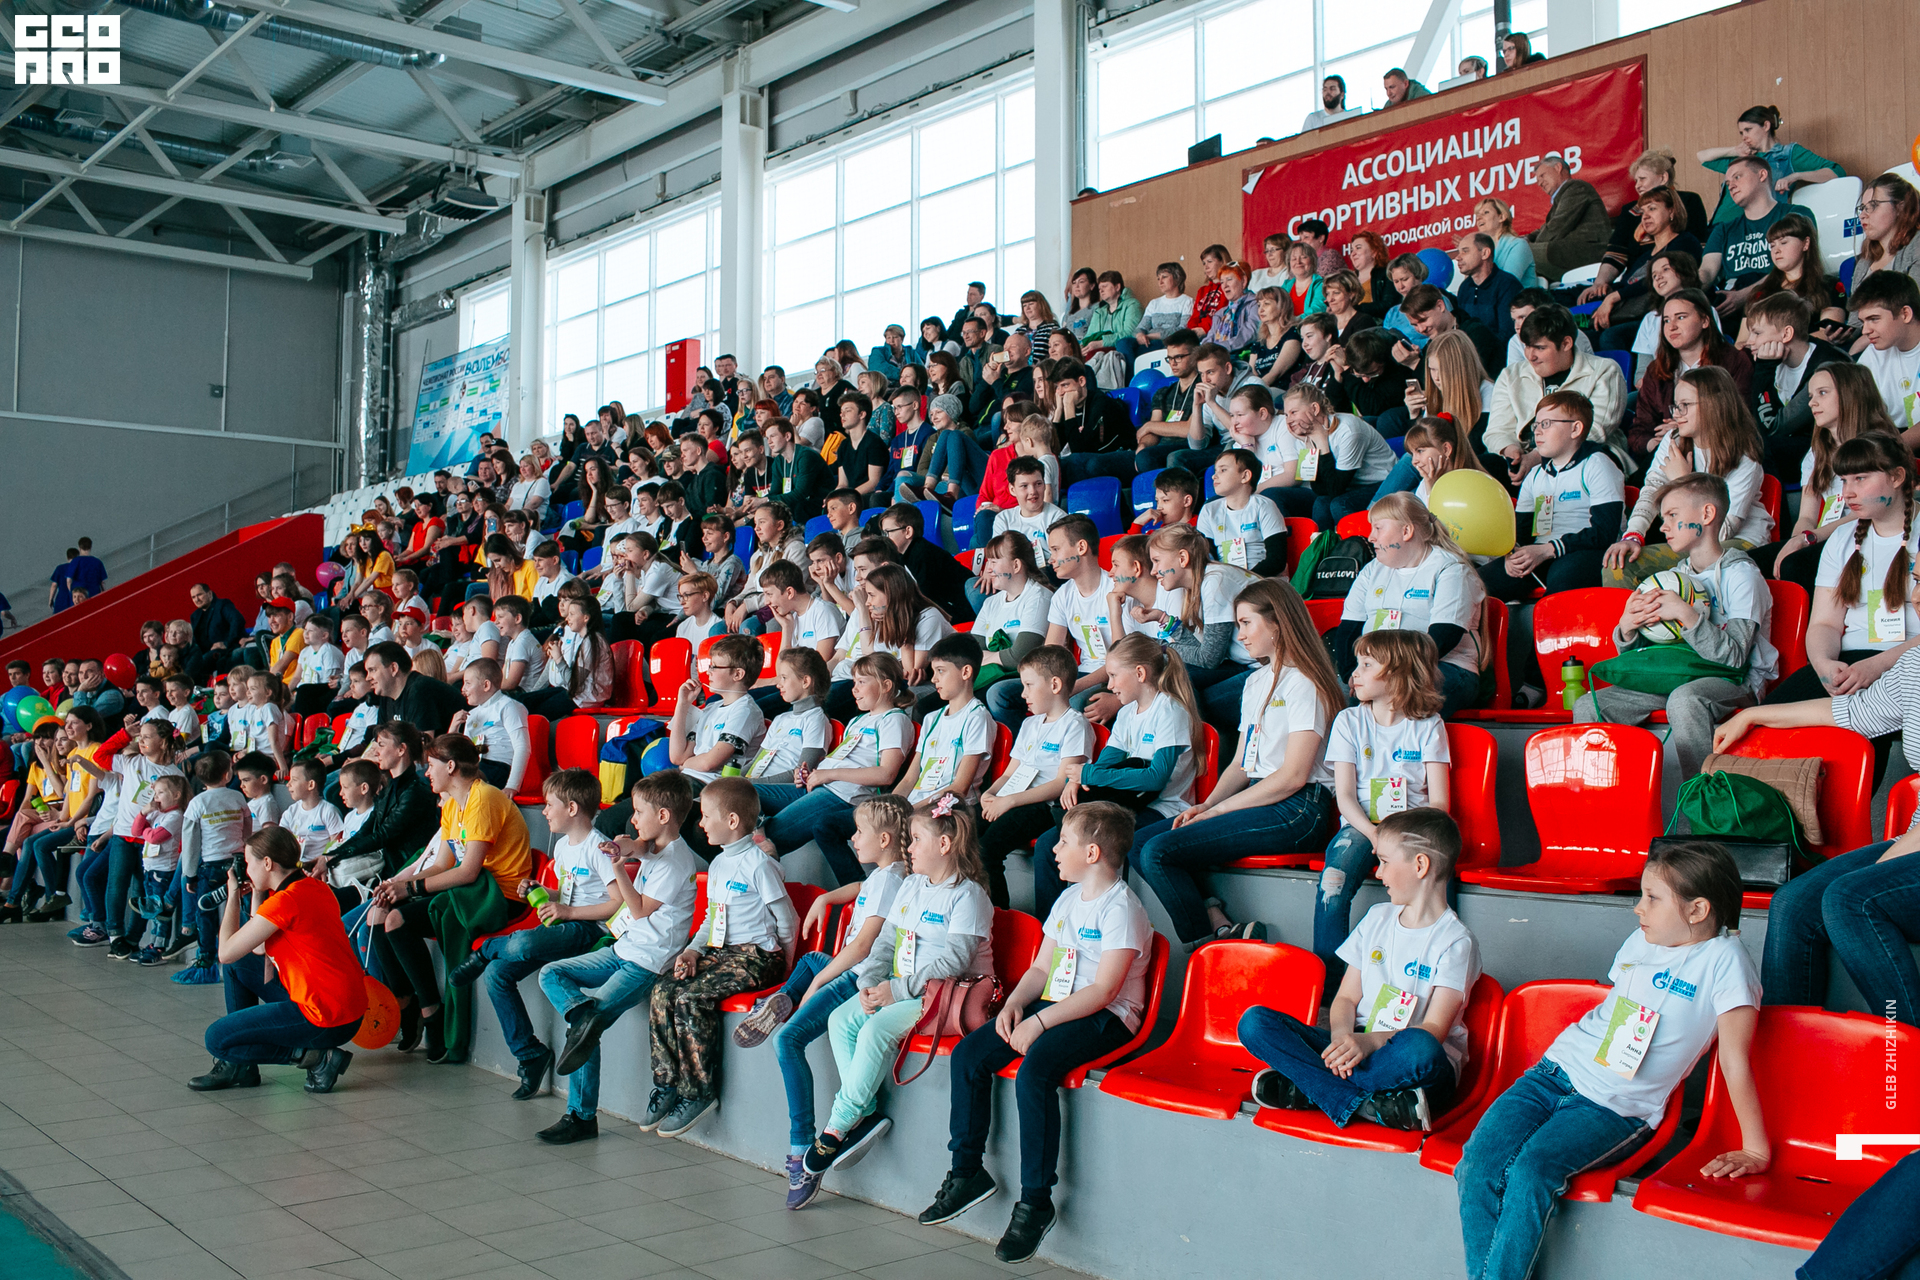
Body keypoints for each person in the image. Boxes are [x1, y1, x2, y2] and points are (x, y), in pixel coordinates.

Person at [1456, 842, 1767, 1280]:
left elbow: (1735, 1060)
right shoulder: (1643, 938)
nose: (1638, 908)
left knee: (1531, 1171)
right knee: (1477, 1163)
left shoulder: (1726, 962)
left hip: (1614, 1108)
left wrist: (1755, 1148)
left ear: (1698, 910)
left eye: (1652, 898)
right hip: (1552, 1074)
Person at [921, 799, 1150, 1262]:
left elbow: (1104, 990)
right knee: (969, 1055)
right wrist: (1016, 1005)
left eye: (1064, 842)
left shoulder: (1121, 908)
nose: (1053, 850)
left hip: (1108, 1016)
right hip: (1054, 1005)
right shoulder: (1068, 898)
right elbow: (1042, 967)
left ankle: (1035, 1203)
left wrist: (1039, 1022)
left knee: (1035, 1071)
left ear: (1092, 853)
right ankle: (966, 1172)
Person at [798, 797, 994, 1194]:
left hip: (941, 996)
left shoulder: (968, 896)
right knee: (841, 1020)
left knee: (874, 1032)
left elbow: (954, 962)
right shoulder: (911, 884)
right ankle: (865, 1112)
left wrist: (895, 990)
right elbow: (886, 942)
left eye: (917, 838)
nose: (909, 846)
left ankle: (838, 1125)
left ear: (944, 845)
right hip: (897, 987)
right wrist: (869, 984)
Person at [1130, 583, 1339, 948]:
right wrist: (1207, 805)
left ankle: (1207, 950)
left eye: (1246, 623)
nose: (1239, 635)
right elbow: (1241, 763)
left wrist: (1219, 810)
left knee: (1158, 851)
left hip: (1299, 807)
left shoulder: (1306, 682)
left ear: (1277, 624)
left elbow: (1293, 776)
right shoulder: (1255, 681)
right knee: (1137, 842)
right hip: (1262, 798)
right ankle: (1219, 926)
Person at [1248, 806, 1477, 1129]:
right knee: (1255, 1022)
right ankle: (1368, 1104)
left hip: (1408, 1062)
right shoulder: (1376, 918)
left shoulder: (1456, 941)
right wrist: (1342, 1038)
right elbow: (1345, 998)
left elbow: (1433, 1031)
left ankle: (1314, 1088)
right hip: (1358, 1049)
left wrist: (1368, 1043)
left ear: (1420, 865)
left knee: (1419, 1046)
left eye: (1384, 862)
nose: (1378, 873)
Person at [537, 770, 701, 1143]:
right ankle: (583, 1017)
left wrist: (617, 868)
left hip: (647, 962)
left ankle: (581, 1116)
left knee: (583, 1032)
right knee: (553, 976)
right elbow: (639, 847)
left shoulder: (677, 861)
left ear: (663, 816)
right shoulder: (655, 845)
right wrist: (624, 847)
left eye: (639, 812)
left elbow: (638, 909)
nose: (632, 818)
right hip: (622, 948)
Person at [1750, 431, 1919, 784]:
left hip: (1905, 665)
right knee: (1766, 720)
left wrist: (1878, 666)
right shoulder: (1843, 538)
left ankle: (1847, 815)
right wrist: (1825, 665)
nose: (1848, 492)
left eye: (1861, 478)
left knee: (1857, 736)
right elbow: (1824, 624)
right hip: (1847, 664)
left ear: (1897, 477)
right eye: (1844, 480)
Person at [1582, 474, 1778, 777]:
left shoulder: (1742, 576)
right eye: (1663, 518)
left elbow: (1735, 658)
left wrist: (1688, 615)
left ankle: (1701, 795)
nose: (1663, 526)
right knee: (1590, 705)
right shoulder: (1673, 578)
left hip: (1736, 682)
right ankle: (1611, 796)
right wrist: (1628, 629)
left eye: (1673, 515)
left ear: (1707, 514)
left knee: (1685, 700)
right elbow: (1653, 653)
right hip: (1679, 675)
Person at [446, 769, 620, 1102]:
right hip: (565, 925)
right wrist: (541, 891)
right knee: (496, 975)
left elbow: (616, 903)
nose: (543, 812)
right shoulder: (565, 847)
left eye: (550, 805)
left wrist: (568, 912)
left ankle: (486, 949)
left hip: (589, 931)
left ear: (572, 808)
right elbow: (568, 895)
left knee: (522, 944)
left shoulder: (599, 848)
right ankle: (529, 1054)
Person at [641, 777, 794, 1136]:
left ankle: (698, 1091)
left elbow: (787, 919)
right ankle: (667, 1083)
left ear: (732, 821)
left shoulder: (759, 865)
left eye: (707, 816)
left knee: (691, 998)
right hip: (722, 953)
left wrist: (786, 967)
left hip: (758, 957)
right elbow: (713, 918)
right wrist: (692, 951)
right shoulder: (719, 864)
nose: (701, 823)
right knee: (663, 989)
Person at [368, 733, 532, 1064]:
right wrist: (396, 885)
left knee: (398, 918)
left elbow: (468, 871)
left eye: (431, 765)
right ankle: (410, 1002)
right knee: (382, 913)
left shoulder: (483, 798)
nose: (427, 772)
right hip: (472, 890)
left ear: (451, 766)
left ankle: (431, 1012)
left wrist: (411, 889)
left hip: (499, 895)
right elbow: (442, 864)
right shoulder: (452, 804)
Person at [188, 826, 367, 1095]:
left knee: (217, 1039)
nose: (247, 871)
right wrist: (257, 893)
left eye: (248, 863)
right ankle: (242, 1068)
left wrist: (233, 895)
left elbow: (224, 952)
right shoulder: (314, 887)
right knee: (238, 966)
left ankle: (316, 1058)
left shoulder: (285, 902)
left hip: (324, 1018)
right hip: (346, 1009)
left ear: (267, 863)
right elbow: (258, 948)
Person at [1606, 367, 1770, 588]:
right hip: (1689, 538)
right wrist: (1633, 535)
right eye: (1676, 406)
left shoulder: (1745, 458)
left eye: (1685, 405)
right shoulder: (1673, 439)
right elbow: (1652, 490)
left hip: (1736, 544)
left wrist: (1683, 483)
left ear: (1714, 405)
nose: (1676, 414)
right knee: (1619, 563)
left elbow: (1721, 532)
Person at [762, 652, 914, 887]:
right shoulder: (856, 721)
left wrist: (828, 774)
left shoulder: (895, 720)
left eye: (861, 682)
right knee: (743, 792)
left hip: (845, 795)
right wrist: (810, 775)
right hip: (819, 786)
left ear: (886, 686)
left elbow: (886, 774)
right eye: (853, 682)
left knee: (767, 838)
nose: (854, 689)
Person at [1333, 492, 1486, 715]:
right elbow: (1349, 629)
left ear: (1406, 531)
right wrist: (1352, 675)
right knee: (1331, 697)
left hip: (1442, 668)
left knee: (1391, 697)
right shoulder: (1372, 570)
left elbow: (1443, 637)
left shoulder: (1450, 569)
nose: (1371, 537)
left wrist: (1388, 673)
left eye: (1378, 528)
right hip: (1376, 671)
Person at [1754, 362, 1897, 591]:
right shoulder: (1817, 451)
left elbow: (1863, 515)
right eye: (1811, 396)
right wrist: (1798, 539)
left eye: (1822, 393)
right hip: (1824, 535)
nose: (1812, 403)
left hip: (1863, 534)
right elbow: (1806, 516)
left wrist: (1810, 538)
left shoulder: (1878, 446)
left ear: (1850, 394)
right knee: (1750, 563)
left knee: (1794, 566)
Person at [1482, 390, 1624, 608]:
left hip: (1586, 552)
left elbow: (1605, 532)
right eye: (1536, 425)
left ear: (1575, 429)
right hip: (1540, 553)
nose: (1537, 432)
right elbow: (1521, 530)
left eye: (1546, 424)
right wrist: (1512, 554)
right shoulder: (1535, 474)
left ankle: (1546, 631)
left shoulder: (1598, 465)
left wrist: (1549, 549)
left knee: (1563, 577)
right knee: (1476, 583)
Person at [1485, 304, 1629, 477]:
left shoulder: (1604, 371)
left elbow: (1594, 432)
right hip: (1525, 457)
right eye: (1527, 346)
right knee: (1485, 466)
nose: (1530, 356)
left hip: (1582, 459)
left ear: (1566, 343)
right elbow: (1497, 430)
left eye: (1540, 348)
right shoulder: (1510, 375)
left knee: (1584, 458)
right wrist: (1512, 452)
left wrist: (1537, 457)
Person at [1627, 289, 1755, 468]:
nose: (1671, 326)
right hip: (1668, 455)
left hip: (1722, 453)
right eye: (1666, 320)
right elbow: (1639, 431)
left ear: (1705, 320)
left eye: (1680, 317)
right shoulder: (1655, 370)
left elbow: (1740, 417)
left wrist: (1682, 429)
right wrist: (1656, 443)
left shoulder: (1735, 360)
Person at [1701, 156, 1816, 318]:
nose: (1731, 186)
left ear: (1762, 175)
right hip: (1729, 306)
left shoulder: (1795, 214)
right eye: (1727, 183)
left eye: (1737, 177)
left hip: (1780, 302)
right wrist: (1686, 287)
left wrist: (1747, 294)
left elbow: (1798, 267)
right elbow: (1707, 271)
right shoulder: (1723, 229)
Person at [1696, 105, 1842, 225]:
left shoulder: (1789, 154)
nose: (1744, 137)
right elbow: (1703, 157)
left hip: (1759, 227)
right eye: (1741, 133)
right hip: (1719, 226)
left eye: (1748, 130)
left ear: (1766, 126)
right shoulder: (1742, 157)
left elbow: (1836, 171)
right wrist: (1734, 150)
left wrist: (1796, 176)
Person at [1276, 382, 1396, 527]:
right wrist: (1309, 447)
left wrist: (1322, 444)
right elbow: (1319, 489)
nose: (1289, 420)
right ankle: (1323, 542)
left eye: (1294, 412)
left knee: (1340, 504)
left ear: (1314, 408)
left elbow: (1335, 489)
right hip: (1352, 486)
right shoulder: (1304, 435)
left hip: (1383, 482)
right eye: (1286, 415)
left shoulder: (1348, 430)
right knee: (1321, 503)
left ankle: (1358, 541)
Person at [1853, 269, 1920, 439]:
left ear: (1905, 314)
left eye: (1874, 319)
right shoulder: (1872, 355)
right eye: (1863, 322)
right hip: (1892, 441)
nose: (1865, 331)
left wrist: (1892, 448)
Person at [1524, 153, 1610, 279]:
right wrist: (1527, 238)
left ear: (1558, 168)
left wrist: (1523, 246)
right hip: (1567, 253)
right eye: (1537, 180)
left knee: (1519, 252)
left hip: (1588, 252)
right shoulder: (1563, 196)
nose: (1539, 183)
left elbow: (1557, 226)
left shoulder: (1576, 187)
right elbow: (1546, 227)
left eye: (1542, 176)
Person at [1847, 172, 1920, 309]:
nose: (1862, 215)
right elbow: (1855, 317)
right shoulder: (1863, 263)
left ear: (1900, 207)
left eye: (1873, 205)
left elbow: (1915, 308)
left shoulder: (1917, 246)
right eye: (1862, 208)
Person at [1451, 233, 1523, 344]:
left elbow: (1507, 335)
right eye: (1458, 252)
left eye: (1465, 251)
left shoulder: (1508, 285)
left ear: (1485, 253)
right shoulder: (1464, 287)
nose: (1458, 257)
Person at [1120, 262, 1193, 370]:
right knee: (1123, 343)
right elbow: (1141, 327)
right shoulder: (1154, 303)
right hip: (1148, 341)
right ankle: (1131, 377)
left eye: (1164, 277)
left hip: (1167, 342)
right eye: (1158, 278)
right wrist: (1140, 335)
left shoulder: (1187, 301)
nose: (1160, 282)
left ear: (1177, 278)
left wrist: (1151, 336)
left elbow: (1182, 330)